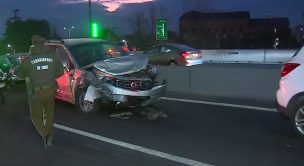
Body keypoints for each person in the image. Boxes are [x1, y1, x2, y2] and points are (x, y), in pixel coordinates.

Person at [14, 34, 64, 148]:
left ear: (33, 44)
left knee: (36, 117)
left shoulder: (29, 59)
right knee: (49, 115)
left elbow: (20, 74)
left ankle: (46, 135)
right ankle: (49, 135)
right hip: (51, 90)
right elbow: (60, 71)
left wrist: (18, 70)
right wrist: (50, 76)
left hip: (36, 93)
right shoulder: (52, 57)